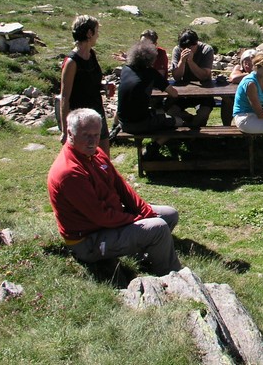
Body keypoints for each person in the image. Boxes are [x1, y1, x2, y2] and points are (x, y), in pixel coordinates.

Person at [48, 108, 182, 275]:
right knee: (158, 228)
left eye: (96, 135)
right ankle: (171, 274)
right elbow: (100, 216)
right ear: (70, 133)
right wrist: (137, 219)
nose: (92, 141)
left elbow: (122, 187)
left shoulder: (95, 153)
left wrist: (145, 211)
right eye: (86, 135)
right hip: (88, 240)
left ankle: (143, 255)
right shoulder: (69, 173)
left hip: (109, 221)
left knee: (169, 215)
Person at [117, 40, 182, 158]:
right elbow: (174, 93)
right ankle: (155, 146)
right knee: (179, 122)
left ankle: (155, 144)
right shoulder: (151, 73)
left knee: (159, 112)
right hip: (140, 123)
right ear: (151, 59)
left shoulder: (126, 69)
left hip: (123, 123)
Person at [59, 15, 112, 156]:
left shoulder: (91, 54)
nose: (98, 35)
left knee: (104, 157)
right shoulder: (72, 62)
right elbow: (64, 97)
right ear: (89, 33)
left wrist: (104, 86)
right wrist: (65, 130)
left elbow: (91, 82)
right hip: (80, 118)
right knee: (84, 158)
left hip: (97, 112)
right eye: (97, 31)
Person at [228, 49, 263, 145]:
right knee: (227, 103)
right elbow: (234, 78)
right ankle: (227, 130)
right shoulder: (243, 74)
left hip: (257, 106)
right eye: (245, 62)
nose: (248, 64)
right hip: (245, 112)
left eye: (250, 62)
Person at [170, 29, 214, 127]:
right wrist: (182, 61)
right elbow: (177, 77)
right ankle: (190, 120)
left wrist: (190, 62)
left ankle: (193, 128)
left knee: (203, 113)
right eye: (183, 48)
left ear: (196, 43)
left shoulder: (206, 50)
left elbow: (204, 76)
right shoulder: (177, 50)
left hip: (204, 92)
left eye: (190, 47)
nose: (186, 50)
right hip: (183, 92)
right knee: (171, 111)